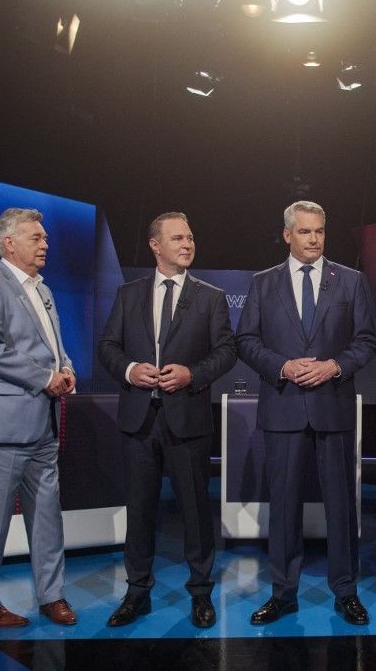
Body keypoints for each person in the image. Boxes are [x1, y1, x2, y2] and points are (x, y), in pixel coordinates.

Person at [236, 200, 376, 626]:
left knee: (342, 506)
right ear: (287, 235)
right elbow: (245, 341)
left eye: (319, 231)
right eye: (305, 232)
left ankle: (346, 592)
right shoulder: (263, 283)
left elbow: (367, 340)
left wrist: (334, 366)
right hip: (282, 407)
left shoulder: (351, 281)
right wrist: (282, 365)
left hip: (332, 406)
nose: (314, 239)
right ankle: (283, 593)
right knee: (283, 506)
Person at [98, 212, 236, 629]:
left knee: (195, 511)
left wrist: (192, 374)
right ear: (156, 245)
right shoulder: (129, 294)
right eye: (178, 238)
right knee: (140, 511)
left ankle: (200, 593)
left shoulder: (211, 297)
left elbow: (227, 352)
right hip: (140, 420)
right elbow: (108, 346)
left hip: (188, 419)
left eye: (190, 237)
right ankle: (137, 593)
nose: (188, 244)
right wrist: (129, 370)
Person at [0, 208, 77, 628]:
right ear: (10, 243)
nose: (45, 244)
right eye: (36, 237)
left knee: (47, 516)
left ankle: (52, 596)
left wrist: (65, 369)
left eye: (45, 237)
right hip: (4, 425)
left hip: (43, 423)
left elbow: (52, 344)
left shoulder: (43, 290)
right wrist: (45, 377)